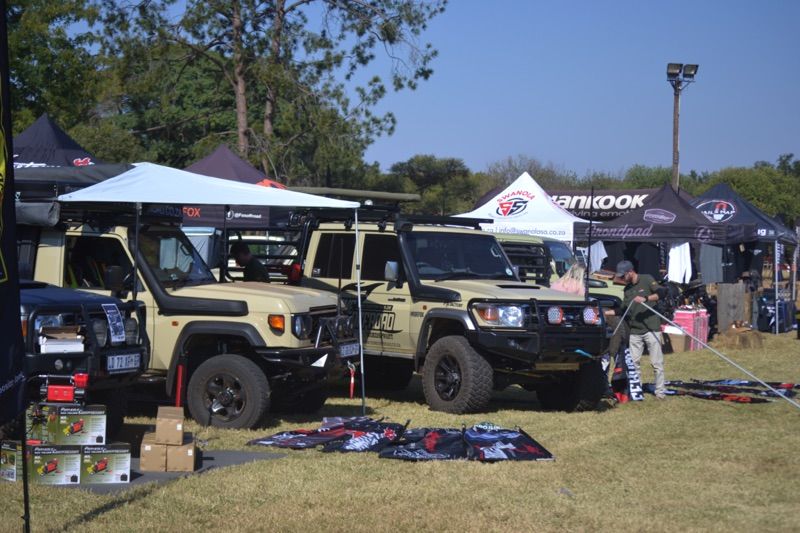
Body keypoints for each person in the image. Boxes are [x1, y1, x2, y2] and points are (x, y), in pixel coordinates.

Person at [616, 260, 666, 399]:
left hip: (651, 329)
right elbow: (622, 310)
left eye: (623, 276)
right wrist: (604, 313)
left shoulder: (647, 279)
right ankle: (636, 391)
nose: (622, 279)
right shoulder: (627, 289)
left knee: (656, 363)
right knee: (633, 364)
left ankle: (660, 392)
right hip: (635, 331)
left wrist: (646, 298)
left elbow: (662, 293)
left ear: (630, 272)